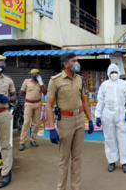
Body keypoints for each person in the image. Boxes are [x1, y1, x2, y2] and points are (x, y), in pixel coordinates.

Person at [45, 53, 94, 190]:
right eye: (74, 61)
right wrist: (51, 128)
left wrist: (89, 119)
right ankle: (61, 188)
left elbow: (84, 101)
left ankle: (75, 187)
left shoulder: (79, 79)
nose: (77, 63)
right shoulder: (55, 80)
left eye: (77, 60)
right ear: (66, 64)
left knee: (77, 158)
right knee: (64, 159)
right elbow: (49, 105)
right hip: (65, 121)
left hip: (79, 120)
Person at [95, 64, 126, 173]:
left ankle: (124, 162)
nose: (114, 74)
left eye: (115, 72)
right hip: (107, 113)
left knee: (123, 137)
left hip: (121, 113)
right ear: (109, 73)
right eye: (112, 72)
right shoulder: (104, 85)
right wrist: (98, 116)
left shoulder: (124, 84)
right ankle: (112, 161)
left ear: (118, 72)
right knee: (109, 138)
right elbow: (100, 101)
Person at [0, 54, 17, 188]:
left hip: (3, 115)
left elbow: (14, 96)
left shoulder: (8, 80)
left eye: (3, 63)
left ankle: (6, 174)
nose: (2, 66)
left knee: (6, 145)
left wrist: (8, 99)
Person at [19, 69, 48, 151]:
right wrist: (29, 97)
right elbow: (22, 92)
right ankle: (22, 142)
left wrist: (41, 83)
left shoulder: (40, 82)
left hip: (38, 104)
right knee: (26, 123)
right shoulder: (26, 82)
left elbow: (45, 92)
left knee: (36, 123)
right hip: (29, 104)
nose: (36, 75)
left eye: (37, 74)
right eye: (34, 74)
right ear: (31, 75)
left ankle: (33, 140)